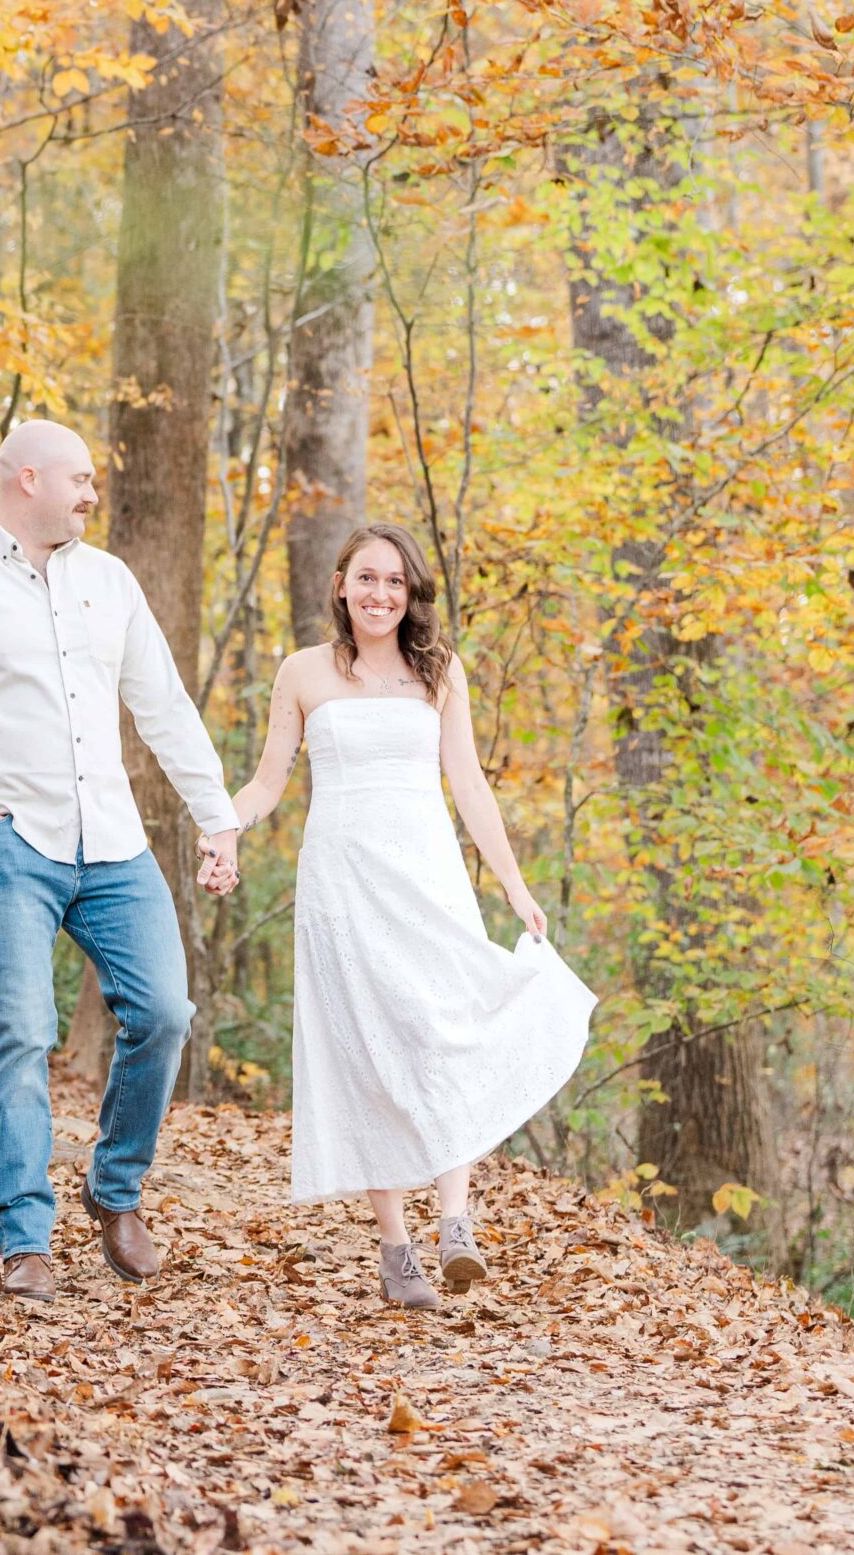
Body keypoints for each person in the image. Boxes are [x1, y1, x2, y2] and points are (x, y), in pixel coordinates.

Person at [0, 420, 242, 1304]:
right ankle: (25, 1239)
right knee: (24, 1032)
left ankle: (114, 1191)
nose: (91, 493)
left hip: (112, 841)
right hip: (8, 842)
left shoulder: (109, 582)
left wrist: (216, 815)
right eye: (78, 479)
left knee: (164, 1009)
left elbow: (164, 706)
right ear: (26, 479)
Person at [214, 523, 593, 1309]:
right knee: (365, 1046)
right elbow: (267, 783)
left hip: (427, 874)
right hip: (343, 881)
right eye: (366, 578)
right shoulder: (303, 673)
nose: (380, 593)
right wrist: (225, 827)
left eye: (395, 581)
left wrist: (515, 885)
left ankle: (456, 1223)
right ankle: (396, 1247)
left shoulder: (439, 671)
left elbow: (470, 784)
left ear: (410, 591)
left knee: (440, 1028)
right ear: (341, 585)